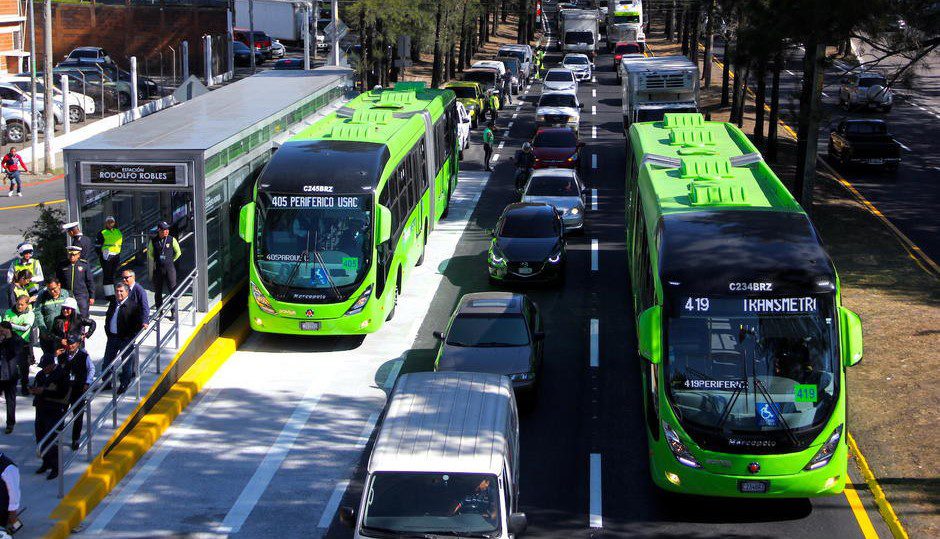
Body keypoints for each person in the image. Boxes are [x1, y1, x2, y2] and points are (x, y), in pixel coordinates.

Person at [31, 354, 70, 480]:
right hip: (41, 408)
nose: (44, 369)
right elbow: (37, 386)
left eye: (46, 366)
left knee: (52, 438)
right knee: (40, 436)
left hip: (55, 410)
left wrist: (44, 391)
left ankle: (55, 466)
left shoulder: (61, 374)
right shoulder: (40, 375)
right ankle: (46, 461)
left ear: (52, 364)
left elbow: (62, 392)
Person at [102, 283, 143, 394]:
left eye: (121, 291)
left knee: (126, 363)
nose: (119, 293)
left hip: (125, 339)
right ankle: (106, 383)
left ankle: (124, 383)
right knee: (107, 362)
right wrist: (108, 332)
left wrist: (129, 337)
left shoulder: (133, 306)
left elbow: (138, 325)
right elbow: (108, 319)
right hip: (112, 338)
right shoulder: (113, 304)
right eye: (117, 291)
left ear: (127, 292)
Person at [60, 335, 94, 451]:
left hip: (78, 389)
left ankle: (75, 439)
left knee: (78, 415)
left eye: (73, 343)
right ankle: (57, 436)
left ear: (78, 344)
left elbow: (91, 369)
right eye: (69, 343)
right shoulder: (62, 356)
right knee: (60, 413)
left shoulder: (84, 356)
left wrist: (87, 382)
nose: (71, 346)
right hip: (65, 389)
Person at [3, 296, 33, 397]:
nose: (19, 306)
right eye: (18, 304)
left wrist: (11, 325)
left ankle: (24, 387)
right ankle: (10, 387)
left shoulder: (30, 314)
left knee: (24, 368)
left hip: (23, 344)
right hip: (10, 343)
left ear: (27, 305)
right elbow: (4, 326)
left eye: (22, 305)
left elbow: (25, 328)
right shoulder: (8, 312)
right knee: (10, 367)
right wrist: (14, 326)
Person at [148, 221, 181, 312]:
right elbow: (150, 253)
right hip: (158, 269)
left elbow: (178, 252)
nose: (166, 231)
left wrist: (171, 260)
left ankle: (173, 311)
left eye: (167, 229)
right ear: (159, 230)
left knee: (173, 290)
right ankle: (159, 311)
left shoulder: (171, 239)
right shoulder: (154, 241)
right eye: (164, 229)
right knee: (158, 291)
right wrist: (156, 260)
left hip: (170, 269)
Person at [56, 246, 95, 317]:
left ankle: (82, 328)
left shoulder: (84, 265)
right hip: (66, 294)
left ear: (78, 255)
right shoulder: (62, 265)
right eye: (70, 254)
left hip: (81, 294)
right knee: (66, 314)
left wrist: (92, 296)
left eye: (74, 255)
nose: (71, 256)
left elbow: (89, 281)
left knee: (82, 314)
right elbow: (58, 280)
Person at [0, 323, 24, 434]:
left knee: (10, 400)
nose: (1, 332)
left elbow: (14, 352)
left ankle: (10, 423)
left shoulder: (17, 339)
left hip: (10, 374)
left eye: (2, 330)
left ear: (8, 330)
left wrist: (5, 341)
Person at [95, 216, 123, 299]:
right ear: (106, 223)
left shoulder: (117, 231)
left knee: (113, 274)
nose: (110, 224)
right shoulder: (102, 232)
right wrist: (101, 254)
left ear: (114, 223)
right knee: (107, 275)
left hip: (116, 255)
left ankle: (113, 293)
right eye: (109, 222)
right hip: (107, 256)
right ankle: (109, 295)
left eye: (112, 222)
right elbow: (97, 246)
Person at [0, 450, 20, 530]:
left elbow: (14, 493)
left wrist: (13, 515)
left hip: (2, 509)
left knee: (15, 524)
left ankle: (15, 524)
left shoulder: (8, 467)